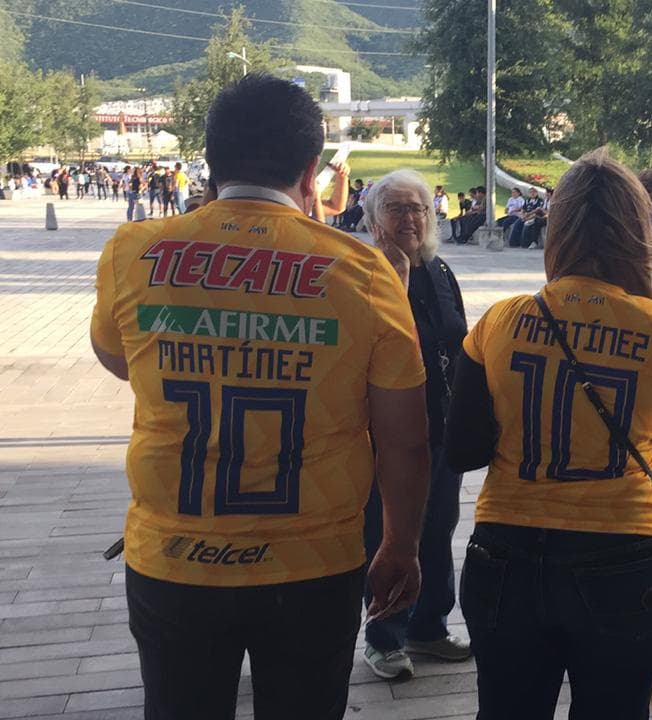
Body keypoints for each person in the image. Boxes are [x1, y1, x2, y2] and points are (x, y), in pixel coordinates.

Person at [89, 74, 431, 720]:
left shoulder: (133, 252)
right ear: (310, 170)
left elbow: (119, 358)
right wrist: (401, 545)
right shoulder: (364, 273)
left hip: (175, 557)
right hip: (314, 563)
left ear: (211, 160)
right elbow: (405, 439)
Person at [445, 150, 652, 718]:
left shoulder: (500, 321)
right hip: (625, 553)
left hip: (507, 551)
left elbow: (461, 449)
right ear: (637, 233)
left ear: (557, 231)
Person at [359, 169, 472, 678]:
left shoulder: (440, 271)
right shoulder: (364, 273)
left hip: (440, 425)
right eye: (397, 208)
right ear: (374, 219)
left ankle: (429, 627)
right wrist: (396, 280)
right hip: (384, 432)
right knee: (387, 531)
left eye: (418, 208)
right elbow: (371, 342)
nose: (410, 218)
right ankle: (384, 636)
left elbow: (459, 342)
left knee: (439, 525)